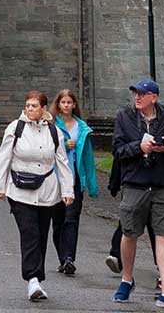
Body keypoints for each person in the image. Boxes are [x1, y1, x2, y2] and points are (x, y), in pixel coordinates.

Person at [111, 77, 164, 309]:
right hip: (134, 184)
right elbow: (117, 150)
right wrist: (139, 147)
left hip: (162, 185)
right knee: (130, 233)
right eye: (135, 93)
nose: (137, 97)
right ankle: (126, 279)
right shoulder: (124, 116)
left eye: (142, 94)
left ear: (153, 98)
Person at [0, 90, 74, 303]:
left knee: (41, 233)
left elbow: (62, 162)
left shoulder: (54, 132)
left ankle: (37, 278)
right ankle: (33, 280)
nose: (30, 109)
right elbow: (3, 157)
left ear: (44, 109)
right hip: (19, 191)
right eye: (27, 105)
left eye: (34, 106)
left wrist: (67, 191)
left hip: (47, 191)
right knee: (29, 233)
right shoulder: (15, 128)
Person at [51, 88, 98, 276]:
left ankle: (69, 258)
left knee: (72, 219)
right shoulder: (51, 125)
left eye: (69, 102)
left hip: (76, 178)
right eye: (63, 102)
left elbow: (88, 158)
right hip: (56, 179)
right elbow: (45, 148)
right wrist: (63, 145)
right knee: (58, 221)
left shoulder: (82, 127)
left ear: (74, 105)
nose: (66, 105)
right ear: (58, 104)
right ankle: (62, 258)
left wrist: (92, 186)